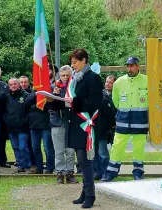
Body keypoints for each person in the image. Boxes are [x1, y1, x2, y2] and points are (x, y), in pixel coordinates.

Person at [56, 49, 103, 208]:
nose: (72, 65)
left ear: (84, 61)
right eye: (71, 62)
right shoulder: (74, 79)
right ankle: (85, 192)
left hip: (86, 124)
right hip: (75, 124)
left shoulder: (94, 78)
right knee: (81, 162)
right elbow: (69, 100)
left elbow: (94, 103)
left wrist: (74, 102)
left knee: (85, 161)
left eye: (75, 62)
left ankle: (90, 195)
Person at [101, 57, 148, 182]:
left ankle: (138, 172)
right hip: (123, 119)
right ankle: (111, 172)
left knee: (139, 147)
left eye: (132, 66)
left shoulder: (147, 80)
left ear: (138, 66)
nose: (129, 68)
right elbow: (115, 101)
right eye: (128, 66)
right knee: (117, 146)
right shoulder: (118, 83)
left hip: (140, 120)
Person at [48, 65, 78, 184]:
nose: (65, 77)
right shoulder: (53, 87)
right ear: (59, 75)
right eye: (63, 75)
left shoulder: (74, 86)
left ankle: (70, 172)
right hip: (57, 122)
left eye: (67, 75)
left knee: (70, 150)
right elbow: (49, 107)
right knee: (59, 150)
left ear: (71, 75)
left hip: (71, 122)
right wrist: (54, 97)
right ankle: (60, 173)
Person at [3, 78, 31, 173]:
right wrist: (6, 120)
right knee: (15, 147)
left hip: (22, 127)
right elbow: (4, 110)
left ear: (19, 84)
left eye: (15, 84)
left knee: (23, 147)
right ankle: (19, 165)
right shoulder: (7, 96)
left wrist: (24, 121)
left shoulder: (25, 95)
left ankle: (27, 165)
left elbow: (29, 110)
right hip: (11, 127)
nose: (13, 86)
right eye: (11, 84)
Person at [93, 75, 117, 180]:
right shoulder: (100, 95)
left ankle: (114, 171)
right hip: (102, 128)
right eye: (106, 82)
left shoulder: (118, 95)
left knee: (116, 151)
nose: (107, 84)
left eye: (110, 82)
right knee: (102, 152)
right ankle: (103, 172)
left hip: (115, 127)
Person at [27, 90, 55, 174]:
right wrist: (36, 95)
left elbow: (47, 107)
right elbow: (26, 103)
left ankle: (50, 168)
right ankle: (39, 168)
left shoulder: (48, 92)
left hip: (45, 125)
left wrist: (34, 106)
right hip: (33, 126)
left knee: (47, 148)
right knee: (35, 148)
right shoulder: (33, 93)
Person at [19, 75, 37, 171]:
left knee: (31, 145)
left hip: (32, 122)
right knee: (22, 146)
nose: (23, 84)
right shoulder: (17, 93)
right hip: (21, 124)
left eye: (25, 82)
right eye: (21, 82)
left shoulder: (33, 93)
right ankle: (23, 163)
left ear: (28, 83)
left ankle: (33, 163)